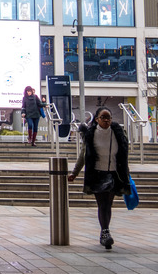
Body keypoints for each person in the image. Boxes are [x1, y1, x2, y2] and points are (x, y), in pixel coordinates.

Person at [68, 107, 130, 250]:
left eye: (109, 118)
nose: (107, 120)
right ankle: (105, 232)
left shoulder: (118, 133)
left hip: (113, 173)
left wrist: (126, 171)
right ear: (97, 119)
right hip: (97, 173)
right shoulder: (91, 134)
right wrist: (75, 172)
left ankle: (105, 232)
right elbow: (83, 155)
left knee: (108, 203)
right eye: (103, 117)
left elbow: (123, 154)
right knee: (102, 203)